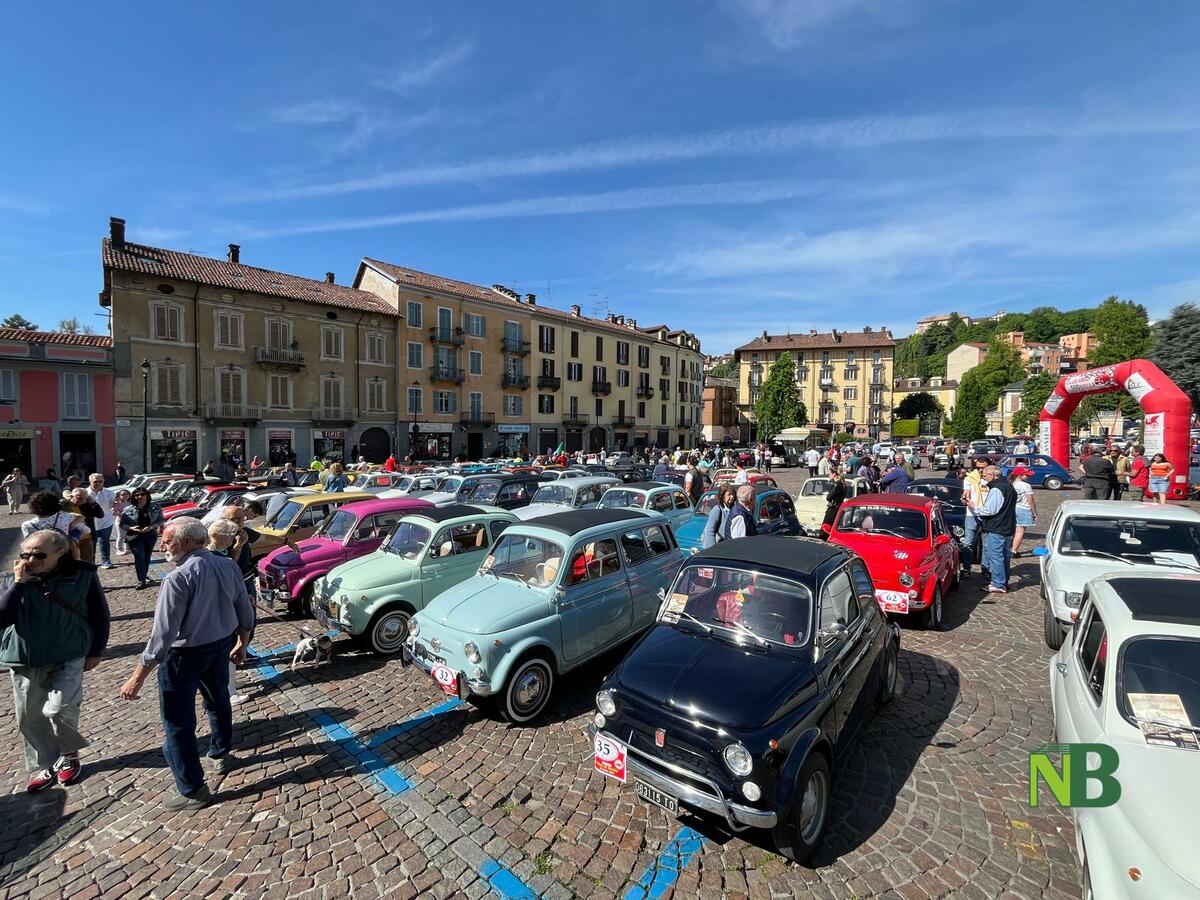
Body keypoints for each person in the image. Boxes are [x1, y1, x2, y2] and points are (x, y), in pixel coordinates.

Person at [119, 518, 254, 810]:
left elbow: (163, 635)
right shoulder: (228, 564)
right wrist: (242, 643)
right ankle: (220, 754)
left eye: (167, 541)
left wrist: (138, 676)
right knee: (218, 701)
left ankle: (192, 789)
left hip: (184, 656)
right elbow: (244, 606)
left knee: (178, 723)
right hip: (219, 645)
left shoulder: (177, 578)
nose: (163, 546)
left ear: (187, 542)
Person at [0, 530, 110, 791]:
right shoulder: (11, 578)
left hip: (70, 654)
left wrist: (96, 650)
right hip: (26, 658)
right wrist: (19, 583)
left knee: (59, 709)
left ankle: (69, 753)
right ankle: (45, 764)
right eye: (25, 554)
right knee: (30, 716)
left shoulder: (83, 574)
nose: (31, 559)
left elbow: (100, 613)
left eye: (39, 554)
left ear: (60, 551)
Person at [207, 518, 250, 706]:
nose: (232, 539)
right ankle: (229, 691)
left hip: (227, 610)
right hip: (221, 614)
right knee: (228, 651)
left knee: (230, 652)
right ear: (214, 536)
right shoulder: (212, 557)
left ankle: (229, 683)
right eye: (229, 536)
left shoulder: (222, 553)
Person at [970, 465, 1017, 595]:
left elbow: (989, 510)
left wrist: (974, 507)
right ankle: (1003, 581)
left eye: (984, 476)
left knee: (996, 556)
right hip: (1007, 526)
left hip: (997, 527)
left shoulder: (997, 489)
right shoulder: (1008, 486)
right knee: (1004, 556)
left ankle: (998, 583)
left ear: (992, 475)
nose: (984, 478)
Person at [120, 487, 164, 589]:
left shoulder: (155, 507)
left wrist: (151, 527)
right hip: (134, 536)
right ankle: (141, 580)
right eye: (136, 495)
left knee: (147, 557)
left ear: (147, 495)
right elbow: (122, 524)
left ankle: (144, 575)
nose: (139, 497)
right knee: (140, 557)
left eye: (142, 494)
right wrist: (131, 528)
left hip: (150, 535)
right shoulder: (128, 509)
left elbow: (161, 520)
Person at [22, 491, 87, 558]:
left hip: (42, 557)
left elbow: (28, 545)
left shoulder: (27, 525)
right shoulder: (65, 516)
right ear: (55, 505)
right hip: (63, 554)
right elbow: (86, 530)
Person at [960, 457, 988, 575]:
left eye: (983, 468)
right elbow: (966, 493)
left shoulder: (991, 479)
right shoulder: (969, 479)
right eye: (978, 468)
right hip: (972, 514)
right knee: (968, 542)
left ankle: (985, 568)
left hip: (987, 513)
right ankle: (967, 567)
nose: (981, 470)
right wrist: (964, 499)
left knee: (986, 543)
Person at [86, 474, 117, 570]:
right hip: (89, 523)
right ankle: (91, 562)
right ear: (90, 482)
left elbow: (114, 505)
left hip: (106, 521)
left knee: (104, 542)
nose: (98, 483)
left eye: (100, 481)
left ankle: (106, 560)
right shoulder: (85, 493)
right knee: (91, 544)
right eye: (95, 481)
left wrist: (116, 505)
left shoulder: (110, 492)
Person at [1010, 467, 1037, 556]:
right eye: (1026, 475)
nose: (1028, 477)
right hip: (1023, 509)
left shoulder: (1011, 484)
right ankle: (1014, 551)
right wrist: (1034, 512)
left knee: (1012, 531)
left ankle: (1009, 548)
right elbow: (1031, 501)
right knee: (1020, 531)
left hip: (1012, 508)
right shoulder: (1026, 486)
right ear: (1020, 475)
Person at [820, 471, 847, 539]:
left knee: (826, 528)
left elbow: (829, 497)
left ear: (834, 474)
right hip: (836, 507)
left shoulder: (839, 485)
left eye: (829, 474)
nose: (828, 475)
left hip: (833, 509)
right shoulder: (841, 484)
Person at [111, 489, 131, 556]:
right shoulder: (117, 503)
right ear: (119, 496)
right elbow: (113, 513)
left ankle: (127, 548)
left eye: (126, 494)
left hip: (130, 522)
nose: (125, 496)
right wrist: (119, 513)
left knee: (128, 536)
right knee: (121, 536)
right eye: (123, 494)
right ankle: (119, 549)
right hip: (120, 522)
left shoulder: (130, 503)